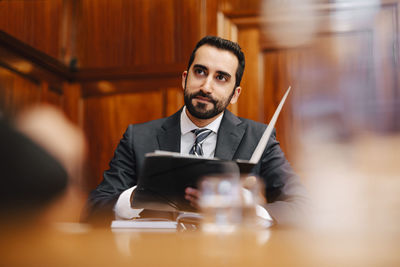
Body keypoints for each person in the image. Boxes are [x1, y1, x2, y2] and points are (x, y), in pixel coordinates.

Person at [86, 36, 308, 226]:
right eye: (200, 72)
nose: (206, 87)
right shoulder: (138, 137)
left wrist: (249, 209)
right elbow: (93, 209)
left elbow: (302, 207)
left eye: (221, 77)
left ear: (235, 94)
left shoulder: (259, 138)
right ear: (185, 79)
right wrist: (135, 198)